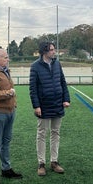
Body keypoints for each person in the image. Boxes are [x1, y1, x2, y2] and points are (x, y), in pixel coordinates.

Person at [29, 41, 70, 176]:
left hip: (57, 103)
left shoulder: (57, 63)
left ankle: (54, 161)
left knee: (55, 133)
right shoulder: (35, 66)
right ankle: (41, 163)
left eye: (54, 49)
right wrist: (36, 106)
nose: (54, 52)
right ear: (44, 52)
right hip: (44, 105)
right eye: (51, 50)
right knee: (41, 134)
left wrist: (66, 99)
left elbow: (62, 82)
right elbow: (33, 89)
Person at [0, 48, 23, 184]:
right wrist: (10, 93)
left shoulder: (4, 70)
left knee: (6, 141)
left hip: (9, 112)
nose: (8, 59)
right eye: (5, 57)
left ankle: (6, 169)